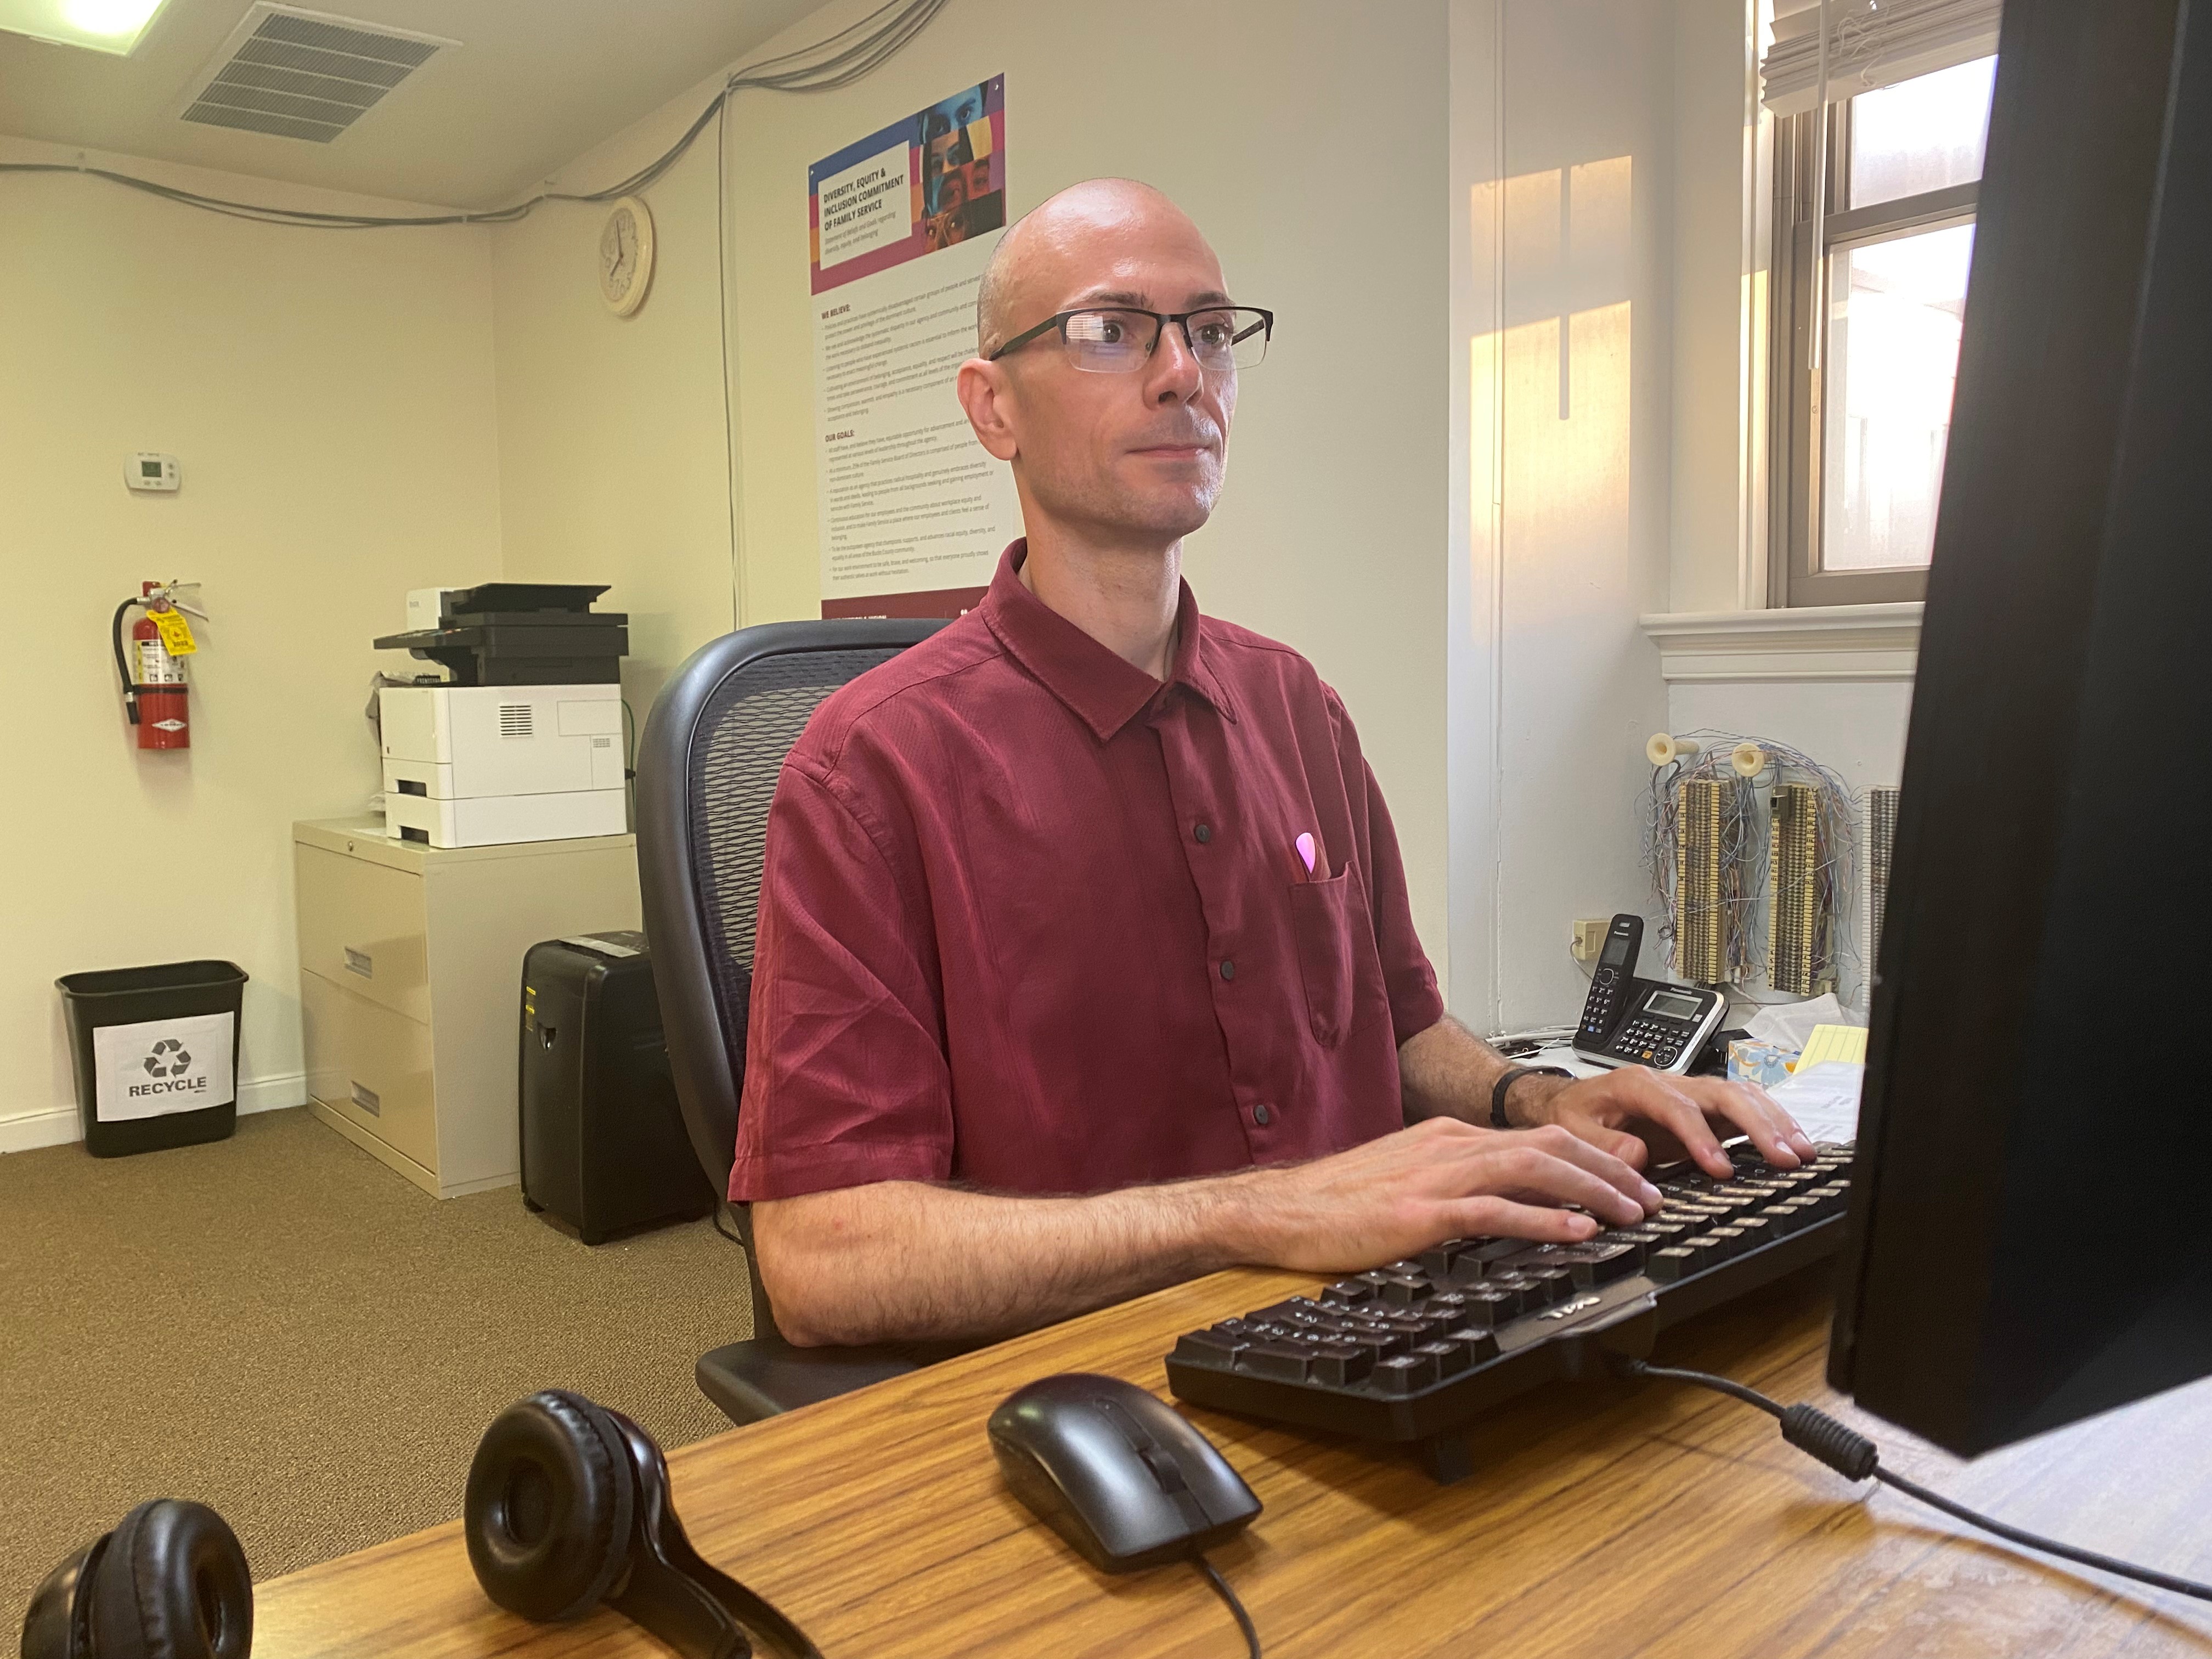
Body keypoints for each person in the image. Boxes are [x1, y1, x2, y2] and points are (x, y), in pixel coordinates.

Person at [733, 178, 1812, 1348]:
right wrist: (1262, 1212)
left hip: (1383, 1330)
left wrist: (1542, 1100)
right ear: (992, 409)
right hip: (1089, 1388)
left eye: (1209, 332)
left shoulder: (1297, 706)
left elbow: (1400, 1030)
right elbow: (822, 1261)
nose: (1181, 375)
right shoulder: (868, 771)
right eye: (1111, 331)